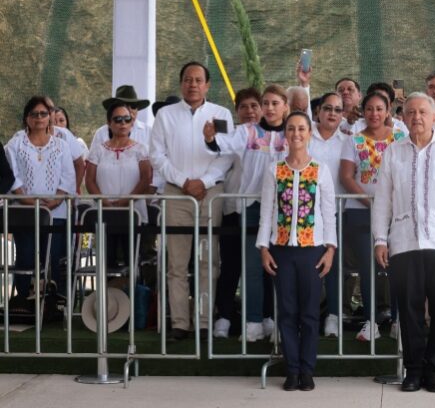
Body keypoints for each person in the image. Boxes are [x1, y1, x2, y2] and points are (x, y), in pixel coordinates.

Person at [372, 92, 435, 393]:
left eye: (422, 112)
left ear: (434, 118)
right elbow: (382, 201)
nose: (416, 117)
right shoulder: (394, 152)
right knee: (409, 311)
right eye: (411, 112)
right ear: (403, 118)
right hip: (404, 243)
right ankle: (413, 371)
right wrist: (380, 239)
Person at [150, 61, 235, 340]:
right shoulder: (165, 115)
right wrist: (184, 181)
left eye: (199, 80)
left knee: (208, 261)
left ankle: (203, 321)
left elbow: (227, 154)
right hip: (176, 192)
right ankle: (179, 323)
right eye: (188, 79)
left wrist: (204, 182)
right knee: (177, 262)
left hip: (210, 193)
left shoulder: (221, 114)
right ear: (181, 83)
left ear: (207, 85)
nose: (193, 85)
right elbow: (157, 155)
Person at [257, 111, 337, 391]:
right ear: (285, 134)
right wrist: (264, 248)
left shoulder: (321, 170)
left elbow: (329, 213)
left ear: (309, 133)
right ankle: (291, 370)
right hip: (281, 251)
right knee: (287, 311)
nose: (296, 134)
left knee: (310, 313)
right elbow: (266, 213)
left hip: (312, 250)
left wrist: (330, 249)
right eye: (291, 129)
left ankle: (307, 370)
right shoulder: (274, 170)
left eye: (301, 128)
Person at [204, 85, 289, 341]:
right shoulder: (247, 131)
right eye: (266, 103)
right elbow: (222, 144)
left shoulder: (294, 131)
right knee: (252, 267)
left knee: (281, 269)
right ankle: (253, 322)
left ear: (285, 106)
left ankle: (276, 320)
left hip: (285, 209)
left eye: (275, 103)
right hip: (252, 207)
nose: (270, 108)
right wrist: (210, 138)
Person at [339, 92, 407, 341]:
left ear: (388, 111)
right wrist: (372, 204)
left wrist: (389, 206)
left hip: (397, 212)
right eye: (369, 109)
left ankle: (398, 321)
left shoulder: (400, 137)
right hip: (361, 213)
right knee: (367, 267)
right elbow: (346, 177)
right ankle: (371, 322)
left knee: (398, 266)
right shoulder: (353, 140)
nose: (374, 114)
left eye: (379, 109)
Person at [6, 96, 75, 299]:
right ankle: (23, 301)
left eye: (43, 114)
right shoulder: (15, 145)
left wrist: (57, 200)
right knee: (26, 256)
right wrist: (26, 200)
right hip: (24, 212)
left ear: (49, 117)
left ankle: (51, 304)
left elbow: (68, 176)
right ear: (26, 118)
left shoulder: (61, 145)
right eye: (34, 114)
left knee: (52, 258)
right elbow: (12, 175)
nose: (39, 118)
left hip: (56, 212)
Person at [85, 101, 151, 267]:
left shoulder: (141, 149)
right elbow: (89, 180)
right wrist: (104, 201)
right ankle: (107, 286)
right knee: (106, 263)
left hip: (133, 213)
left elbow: (146, 178)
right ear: (109, 122)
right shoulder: (98, 150)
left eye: (127, 119)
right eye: (118, 119)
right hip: (104, 213)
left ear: (132, 122)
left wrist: (127, 200)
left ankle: (133, 285)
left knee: (133, 263)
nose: (123, 123)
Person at [307, 92, 346, 337]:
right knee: (308, 269)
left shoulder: (348, 141)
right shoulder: (304, 136)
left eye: (337, 110)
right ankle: (307, 316)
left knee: (334, 268)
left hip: (336, 213)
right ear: (318, 111)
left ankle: (333, 315)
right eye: (327, 108)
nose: (332, 113)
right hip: (306, 215)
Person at [91, 85, 159, 193]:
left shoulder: (149, 132)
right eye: (124, 106)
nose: (129, 110)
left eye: (133, 106)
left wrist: (151, 188)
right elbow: (91, 171)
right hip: (106, 194)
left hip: (141, 195)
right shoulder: (101, 133)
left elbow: (157, 163)